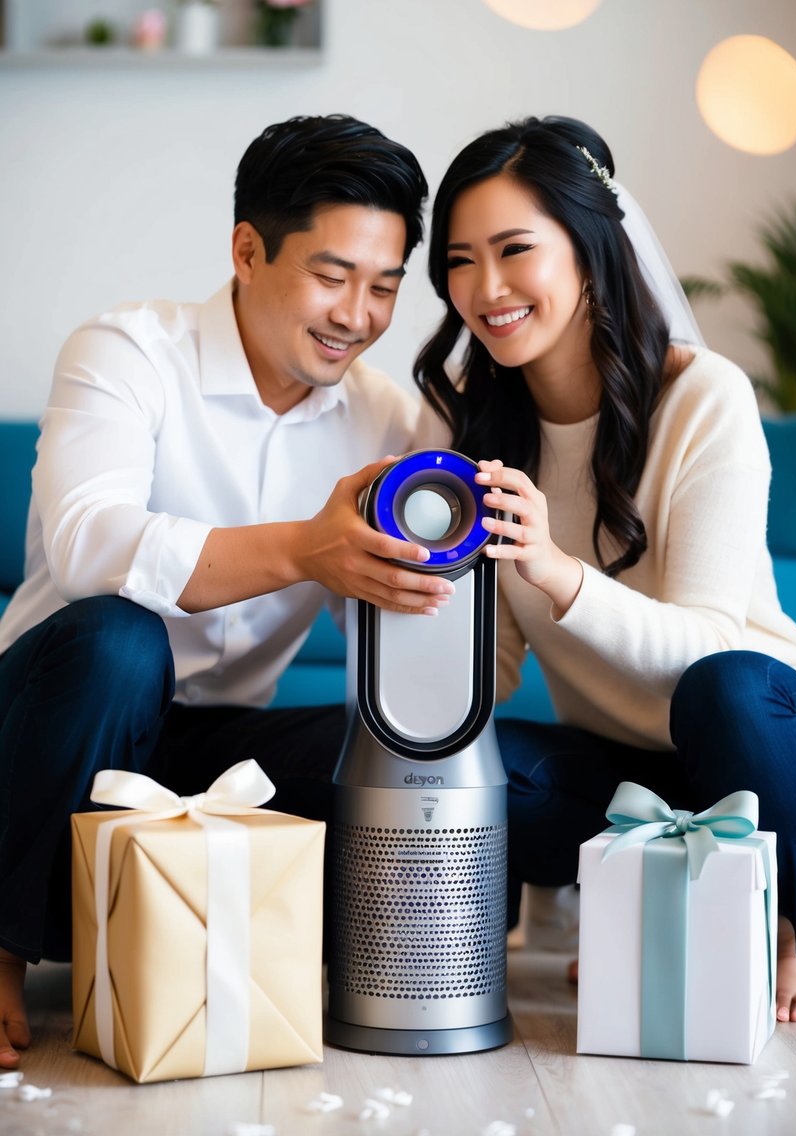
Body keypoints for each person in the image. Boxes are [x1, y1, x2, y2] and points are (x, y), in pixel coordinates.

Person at [0, 113, 456, 1068]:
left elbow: (398, 628)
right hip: (58, 726)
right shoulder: (125, 351)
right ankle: (6, 944)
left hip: (218, 758)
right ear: (247, 250)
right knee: (121, 641)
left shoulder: (388, 417)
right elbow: (88, 545)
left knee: (394, 751)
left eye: (384, 287)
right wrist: (304, 548)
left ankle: (356, 943)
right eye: (331, 277)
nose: (357, 316)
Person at [413, 114, 796, 1025]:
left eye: (514, 250)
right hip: (632, 775)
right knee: (466, 768)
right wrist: (394, 586)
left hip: (770, 740)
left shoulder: (701, 396)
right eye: (457, 260)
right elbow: (493, 670)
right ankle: (646, 901)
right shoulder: (467, 427)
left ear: (591, 252)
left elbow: (711, 647)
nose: (484, 289)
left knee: (722, 690)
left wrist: (559, 572)